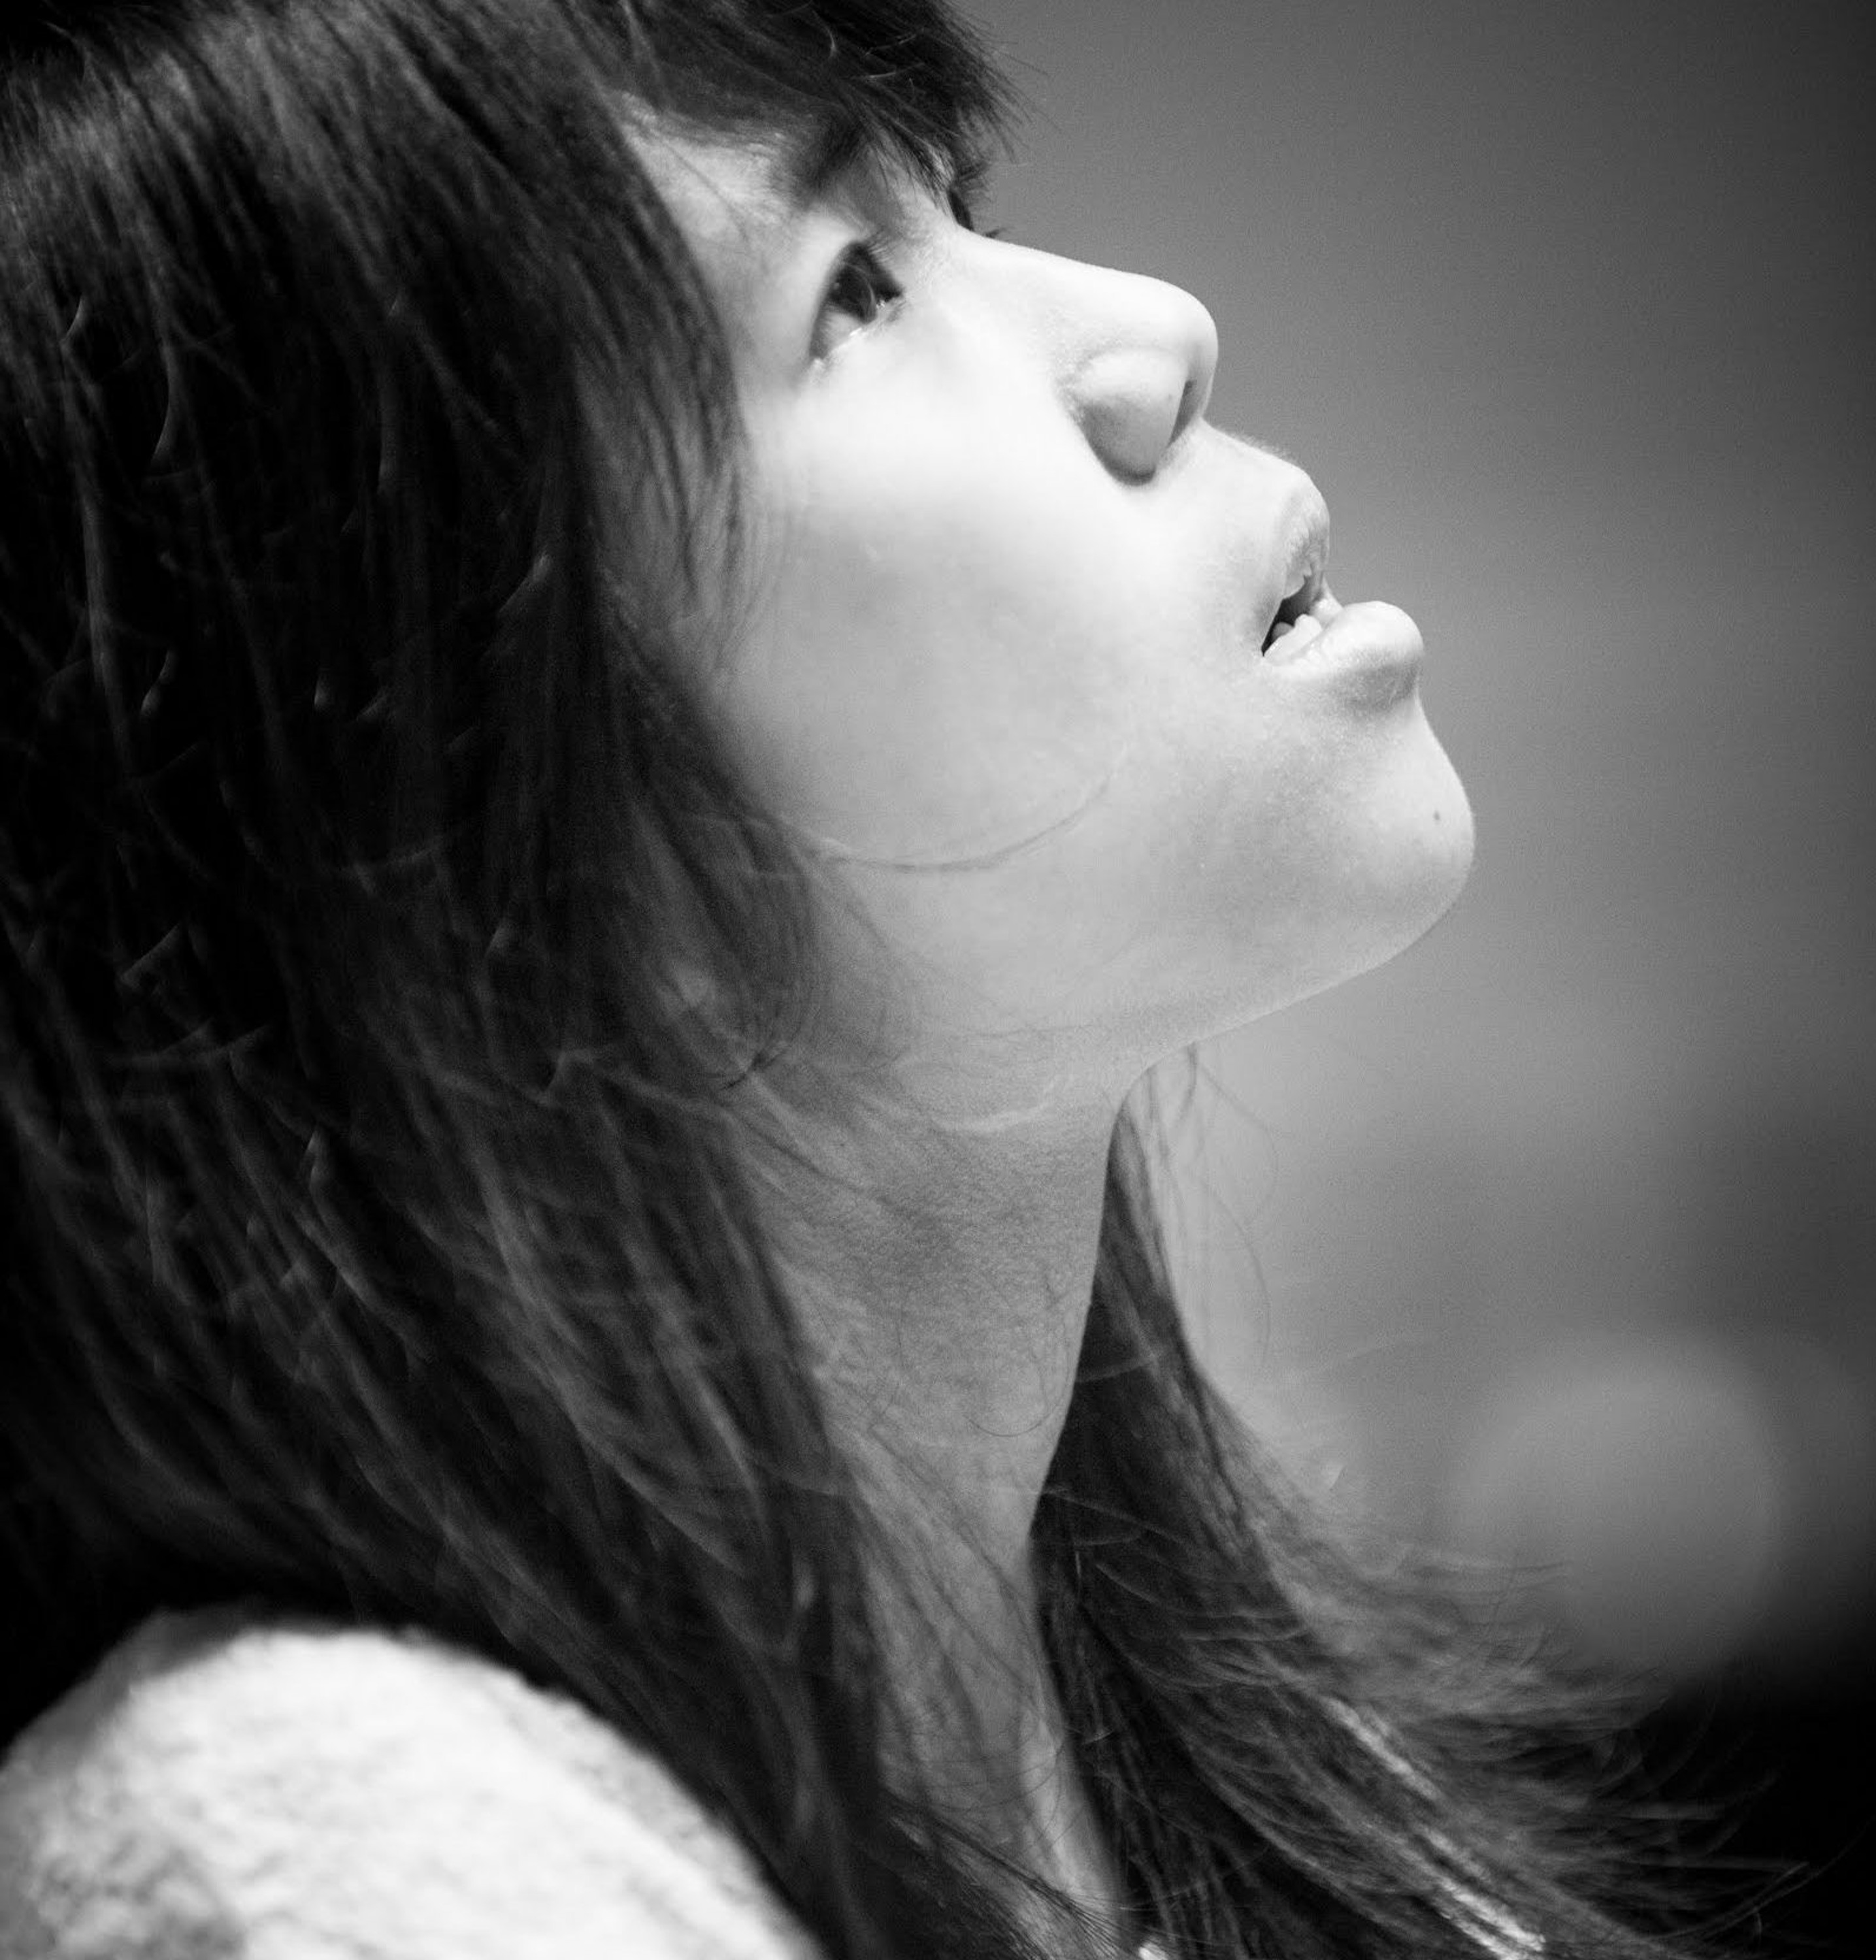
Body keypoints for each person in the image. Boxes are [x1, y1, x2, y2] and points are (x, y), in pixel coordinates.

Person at [0, 2, 1705, 1954]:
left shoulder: (1222, 1745)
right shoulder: (333, 1850)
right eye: (858, 293)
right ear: (450, 815)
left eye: (960, 206)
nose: (1154, 332)